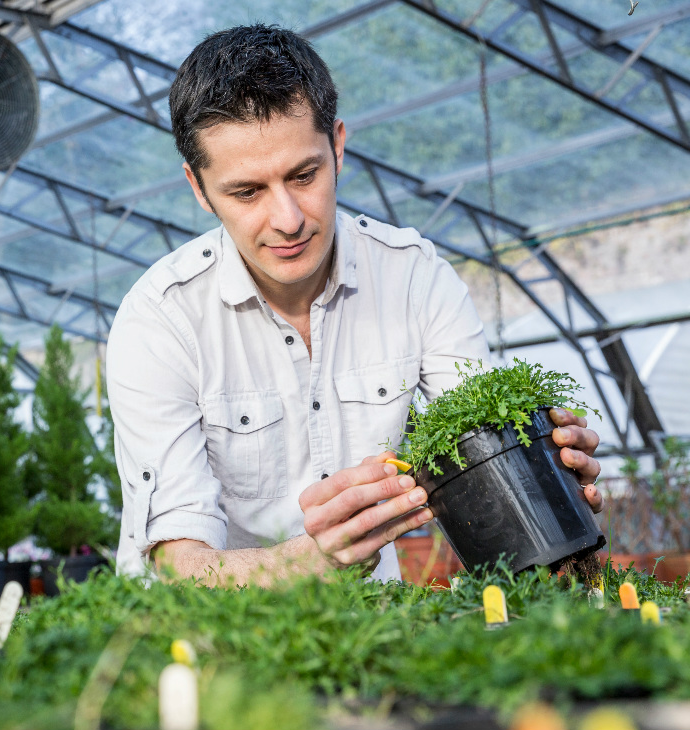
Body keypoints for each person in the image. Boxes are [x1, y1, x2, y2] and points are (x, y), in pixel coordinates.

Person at [106, 24, 603, 585]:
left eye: (304, 175)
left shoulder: (413, 277)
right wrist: (315, 559)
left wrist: (543, 471)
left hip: (375, 630)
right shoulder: (160, 320)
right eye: (247, 192)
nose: (289, 218)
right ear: (198, 187)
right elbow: (179, 566)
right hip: (212, 647)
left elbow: (482, 440)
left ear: (337, 146)